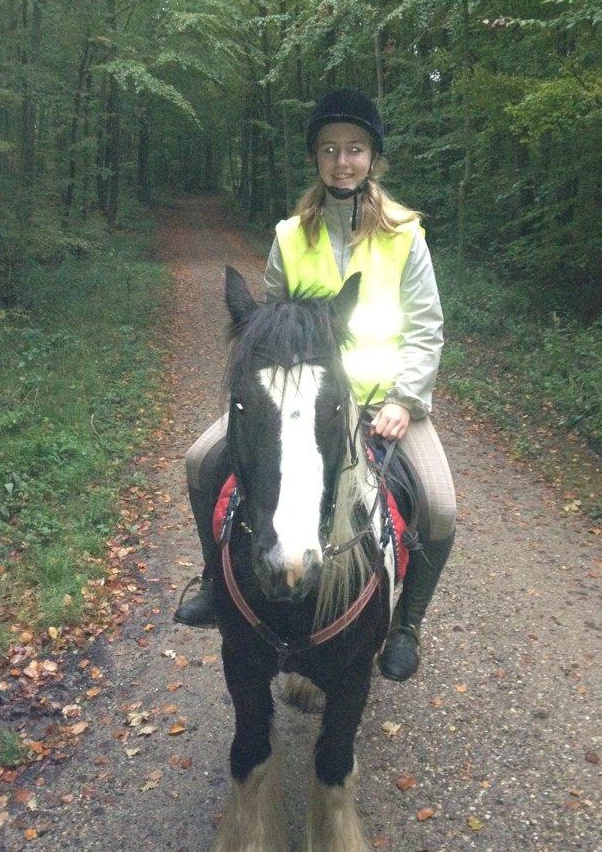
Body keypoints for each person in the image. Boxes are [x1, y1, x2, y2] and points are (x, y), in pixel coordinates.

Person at [174, 89, 456, 682]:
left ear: (373, 158)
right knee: (202, 461)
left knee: (439, 504)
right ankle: (214, 581)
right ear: (316, 159)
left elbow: (426, 327)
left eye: (354, 149)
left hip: (382, 403)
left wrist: (406, 400)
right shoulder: (289, 235)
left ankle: (406, 624)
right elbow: (269, 327)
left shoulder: (407, 236)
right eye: (329, 150)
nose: (342, 161)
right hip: (299, 403)